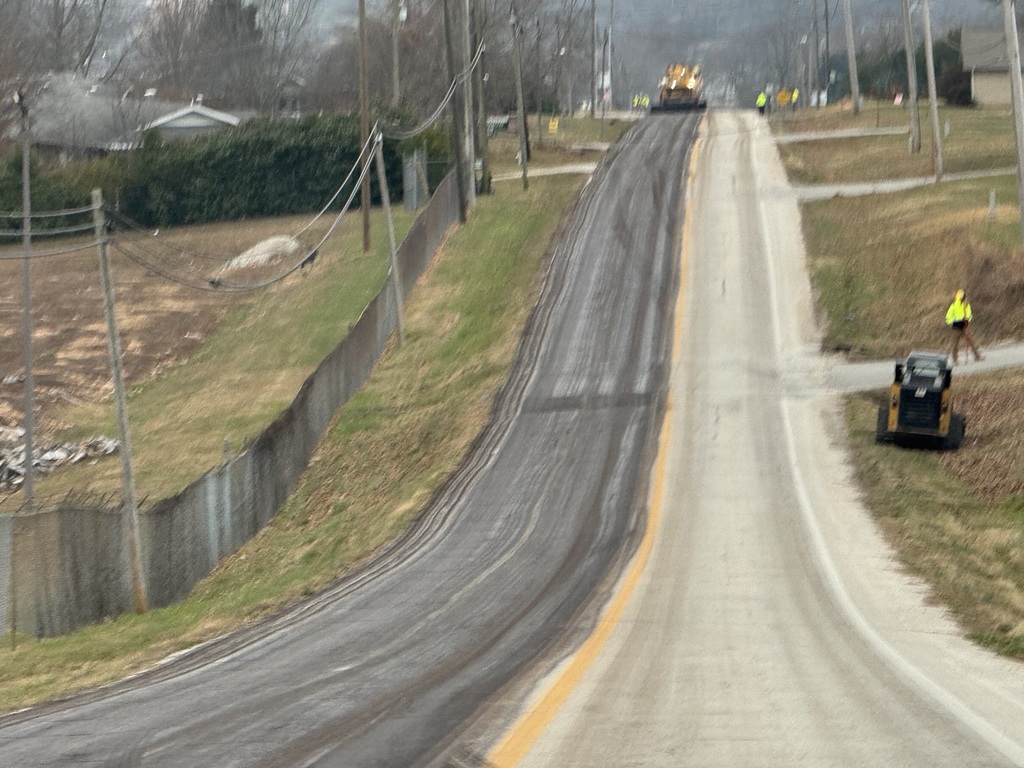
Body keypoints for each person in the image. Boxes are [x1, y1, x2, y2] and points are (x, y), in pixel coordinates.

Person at [945, 289, 983, 364]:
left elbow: (969, 315)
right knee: (955, 343)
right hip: (957, 328)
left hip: (964, 327)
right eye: (963, 296)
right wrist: (953, 324)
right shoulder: (954, 305)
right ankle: (955, 359)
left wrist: (967, 321)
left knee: (971, 341)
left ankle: (977, 356)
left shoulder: (966, 305)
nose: (964, 298)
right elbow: (948, 317)